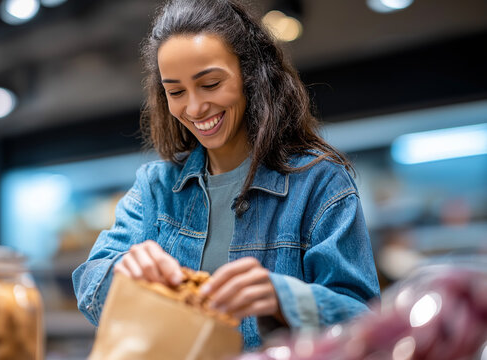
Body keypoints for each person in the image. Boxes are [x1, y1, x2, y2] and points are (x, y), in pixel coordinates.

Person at [72, 0, 380, 351]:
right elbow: (90, 281)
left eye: (211, 83)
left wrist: (283, 298)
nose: (193, 107)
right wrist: (124, 271)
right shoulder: (156, 187)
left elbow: (367, 324)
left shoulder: (320, 183)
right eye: (175, 91)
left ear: (251, 75)